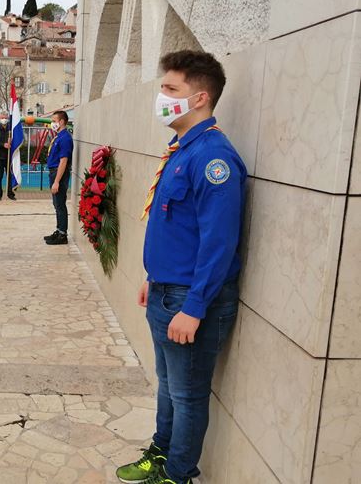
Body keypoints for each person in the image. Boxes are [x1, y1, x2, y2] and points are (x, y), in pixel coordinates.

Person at [116, 51, 247, 484]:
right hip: (165, 291)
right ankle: (162, 452)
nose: (161, 96)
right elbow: (177, 227)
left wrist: (194, 307)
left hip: (191, 301)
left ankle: (178, 474)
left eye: (171, 89)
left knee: (188, 395)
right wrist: (153, 279)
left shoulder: (214, 159)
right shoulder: (182, 149)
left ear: (200, 98)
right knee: (169, 387)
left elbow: (219, 242)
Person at [43, 110, 73, 245]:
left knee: (60, 204)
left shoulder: (65, 138)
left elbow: (64, 161)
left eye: (54, 121)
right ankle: (59, 229)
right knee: (56, 204)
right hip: (53, 172)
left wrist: (56, 182)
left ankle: (62, 235)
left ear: (61, 122)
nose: (52, 123)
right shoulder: (59, 136)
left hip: (58, 173)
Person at [0, 111, 15, 201]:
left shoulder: (11, 129)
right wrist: (3, 144)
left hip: (9, 156)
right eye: (2, 118)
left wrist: (12, 141)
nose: (3, 119)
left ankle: (10, 194)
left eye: (5, 118)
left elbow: (17, 141)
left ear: (8, 118)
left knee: (10, 176)